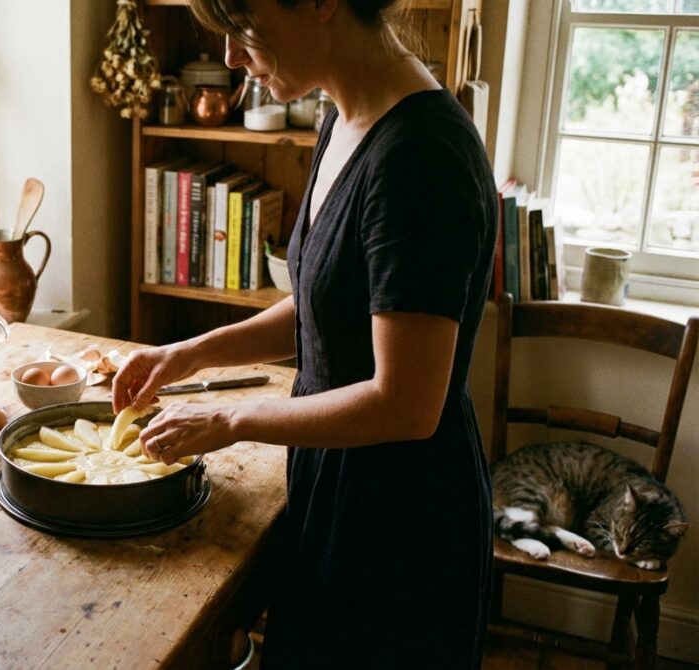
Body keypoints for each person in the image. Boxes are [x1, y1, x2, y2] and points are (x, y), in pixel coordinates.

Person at [112, 0, 498, 667]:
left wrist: (233, 418)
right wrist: (189, 353)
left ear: (321, 3)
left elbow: (404, 404)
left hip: (399, 522)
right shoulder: (346, 116)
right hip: (336, 483)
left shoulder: (421, 159)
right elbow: (325, 304)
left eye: (241, 27)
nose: (230, 58)